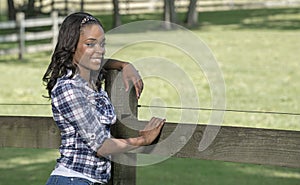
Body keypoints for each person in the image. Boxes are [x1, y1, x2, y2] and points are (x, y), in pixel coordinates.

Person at [42, 12, 165, 185]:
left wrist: (124, 65)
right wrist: (143, 140)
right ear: (71, 46)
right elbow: (102, 147)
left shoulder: (90, 81)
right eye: (90, 44)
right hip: (73, 179)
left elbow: (98, 60)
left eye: (102, 44)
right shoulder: (68, 89)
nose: (99, 50)